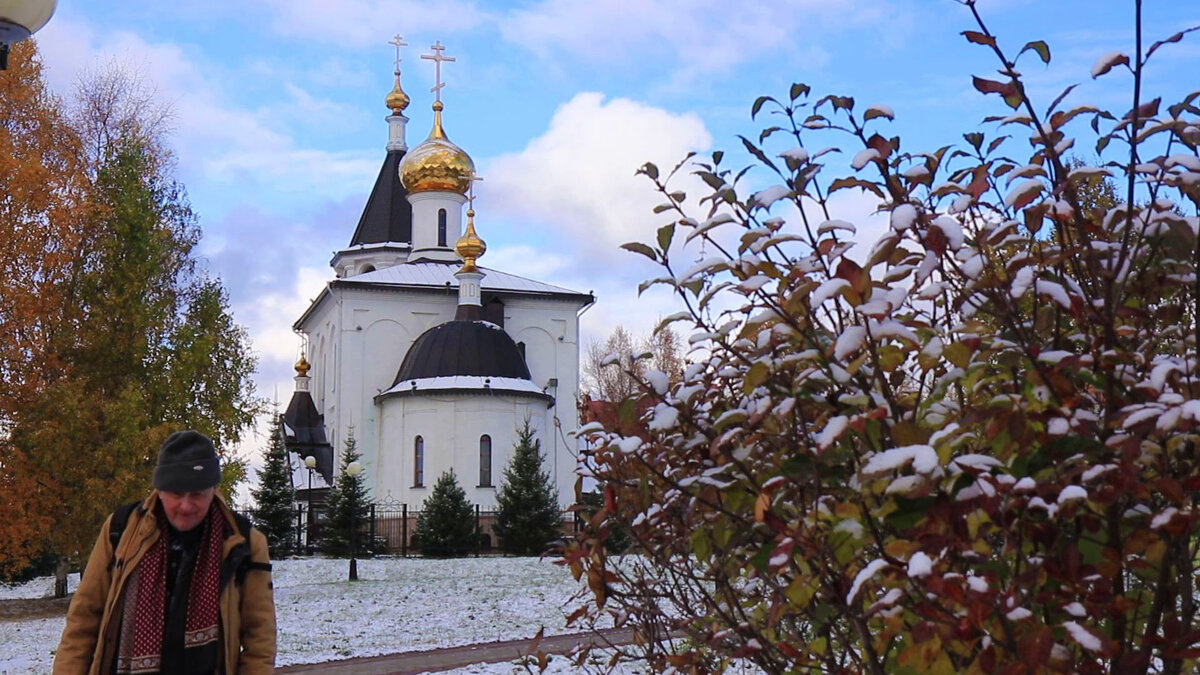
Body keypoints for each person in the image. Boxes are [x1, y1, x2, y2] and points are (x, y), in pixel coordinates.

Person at [54, 431, 276, 674]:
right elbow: (83, 621)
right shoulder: (121, 530)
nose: (186, 506)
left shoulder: (243, 542)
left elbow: (259, 639)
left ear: (213, 489)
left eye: (197, 494)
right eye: (176, 494)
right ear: (159, 489)